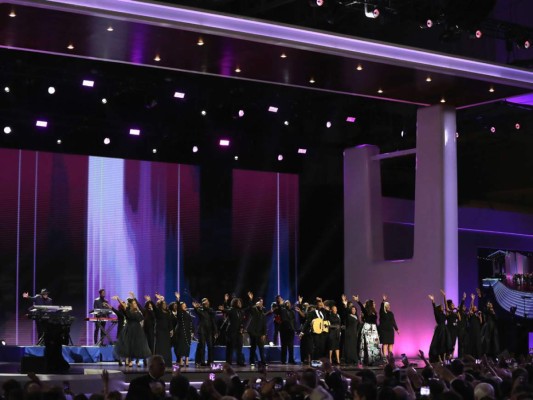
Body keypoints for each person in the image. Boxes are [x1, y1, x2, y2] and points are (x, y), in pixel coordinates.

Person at [113, 293, 152, 367]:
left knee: (138, 345)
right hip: (130, 329)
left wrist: (134, 298)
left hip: (138, 330)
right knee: (130, 345)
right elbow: (123, 305)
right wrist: (118, 298)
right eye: (134, 303)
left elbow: (142, 318)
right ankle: (129, 360)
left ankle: (137, 361)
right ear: (131, 304)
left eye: (135, 303)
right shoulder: (128, 310)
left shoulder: (138, 312)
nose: (135, 304)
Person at [146, 293, 173, 367]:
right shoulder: (158, 312)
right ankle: (159, 363)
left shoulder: (168, 312)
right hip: (160, 332)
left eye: (165, 303)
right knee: (160, 348)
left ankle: (167, 363)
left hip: (166, 332)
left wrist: (171, 330)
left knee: (166, 348)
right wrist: (151, 301)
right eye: (163, 303)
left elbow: (169, 322)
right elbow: (154, 307)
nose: (164, 304)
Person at [354, 295, 381, 366]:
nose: (375, 304)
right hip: (367, 328)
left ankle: (374, 360)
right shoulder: (366, 311)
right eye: (373, 303)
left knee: (374, 345)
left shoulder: (374, 312)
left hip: (374, 329)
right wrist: (358, 301)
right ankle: (367, 360)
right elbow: (362, 308)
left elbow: (375, 322)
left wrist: (377, 331)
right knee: (367, 345)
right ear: (370, 305)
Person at [192, 297, 218, 366]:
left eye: (206, 302)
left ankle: (210, 361)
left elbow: (213, 319)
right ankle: (202, 361)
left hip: (209, 331)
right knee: (202, 346)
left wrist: (215, 331)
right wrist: (196, 307)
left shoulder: (210, 310)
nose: (205, 303)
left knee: (210, 346)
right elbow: (197, 311)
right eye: (204, 302)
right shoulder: (200, 310)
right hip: (202, 330)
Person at [221, 295, 246, 366]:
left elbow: (241, 322)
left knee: (239, 347)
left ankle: (240, 361)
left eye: (240, 302)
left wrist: (242, 328)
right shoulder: (231, 310)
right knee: (230, 348)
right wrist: (225, 301)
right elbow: (225, 309)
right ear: (235, 303)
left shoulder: (241, 312)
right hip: (231, 332)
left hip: (239, 332)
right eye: (238, 302)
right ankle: (228, 362)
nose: (240, 304)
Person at [428, 294, 451, 362]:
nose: (442, 307)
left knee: (444, 343)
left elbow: (446, 308)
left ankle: (444, 357)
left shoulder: (444, 314)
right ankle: (439, 358)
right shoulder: (437, 314)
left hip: (444, 329)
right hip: (440, 330)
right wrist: (433, 301)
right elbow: (434, 308)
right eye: (441, 307)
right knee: (438, 343)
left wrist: (444, 296)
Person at [245, 292, 267, 365]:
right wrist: (250, 299)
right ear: (257, 304)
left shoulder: (263, 313)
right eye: (260, 302)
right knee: (253, 347)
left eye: (262, 302)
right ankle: (252, 361)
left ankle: (263, 361)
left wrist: (264, 334)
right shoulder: (254, 310)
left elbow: (264, 324)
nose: (261, 304)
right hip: (253, 332)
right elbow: (251, 307)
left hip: (260, 332)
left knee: (261, 347)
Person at [173, 292, 193, 367]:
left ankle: (187, 360)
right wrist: (178, 299)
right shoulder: (180, 314)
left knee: (187, 346)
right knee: (181, 346)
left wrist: (192, 331)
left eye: (185, 305)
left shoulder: (188, 314)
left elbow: (191, 323)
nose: (185, 306)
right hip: (181, 332)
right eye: (183, 306)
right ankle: (181, 360)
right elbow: (178, 307)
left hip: (187, 332)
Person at [378, 294, 399, 358]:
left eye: (389, 305)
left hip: (390, 330)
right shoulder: (382, 313)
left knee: (390, 344)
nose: (389, 306)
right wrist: (383, 300)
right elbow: (381, 308)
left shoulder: (391, 313)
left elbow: (393, 321)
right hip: (384, 331)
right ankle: (384, 358)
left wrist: (396, 329)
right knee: (385, 344)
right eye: (387, 305)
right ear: (385, 306)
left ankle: (390, 357)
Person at [280, 300, 296, 364]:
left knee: (291, 346)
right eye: (286, 303)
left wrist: (294, 329)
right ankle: (283, 360)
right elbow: (284, 319)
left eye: (288, 303)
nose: (287, 304)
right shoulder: (283, 310)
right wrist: (281, 304)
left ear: (290, 304)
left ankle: (291, 360)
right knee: (284, 346)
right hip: (284, 330)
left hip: (291, 331)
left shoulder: (292, 312)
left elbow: (294, 321)